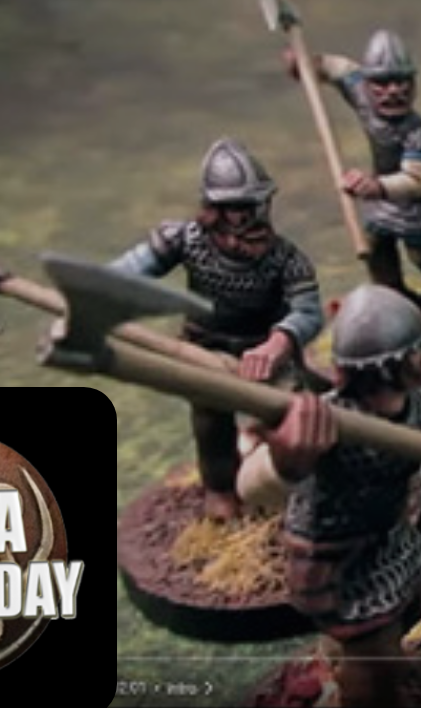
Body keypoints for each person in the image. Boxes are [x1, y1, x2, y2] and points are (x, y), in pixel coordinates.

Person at [248, 284, 421, 707]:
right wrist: (287, 455)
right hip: (336, 557)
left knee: (417, 604)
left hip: (389, 533)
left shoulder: (420, 404)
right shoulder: (328, 419)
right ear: (401, 362)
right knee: (374, 655)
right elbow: (266, 480)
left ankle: (358, 662)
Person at [110, 137, 324, 520]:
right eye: (238, 208)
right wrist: (100, 287)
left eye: (254, 204)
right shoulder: (185, 240)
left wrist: (278, 344)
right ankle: (221, 490)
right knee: (211, 420)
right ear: (216, 210)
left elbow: (308, 312)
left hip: (265, 352)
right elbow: (130, 271)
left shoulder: (286, 259)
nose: (250, 216)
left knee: (290, 416)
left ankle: (291, 491)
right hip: (204, 347)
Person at [283, 30, 421, 311]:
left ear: (413, 83)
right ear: (369, 83)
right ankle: (393, 297)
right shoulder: (362, 95)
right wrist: (308, 64)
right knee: (376, 247)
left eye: (401, 82)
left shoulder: (418, 132)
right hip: (379, 198)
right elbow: (342, 70)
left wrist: (376, 186)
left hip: (412, 203)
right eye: (382, 83)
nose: (392, 91)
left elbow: (417, 181)